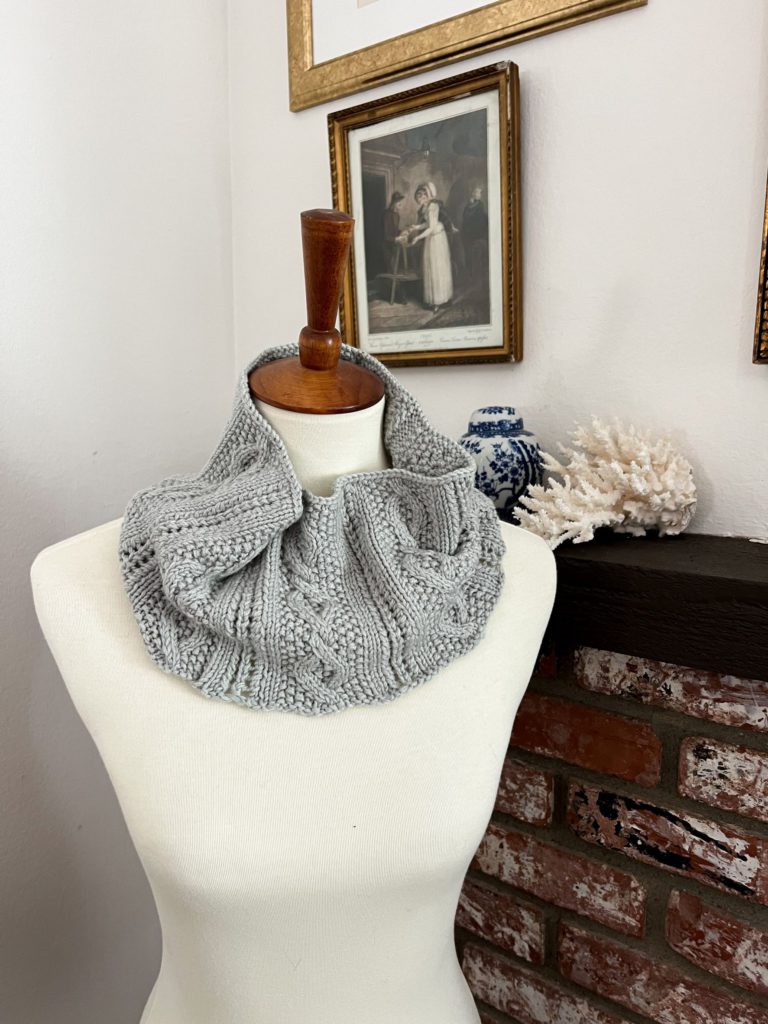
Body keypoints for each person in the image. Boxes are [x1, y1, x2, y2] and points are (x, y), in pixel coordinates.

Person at [407, 182, 453, 311]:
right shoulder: (426, 207)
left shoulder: (433, 206)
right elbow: (427, 224)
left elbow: (432, 228)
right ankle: (433, 300)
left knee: (437, 269)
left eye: (420, 199)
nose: (419, 202)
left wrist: (418, 237)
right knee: (430, 268)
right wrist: (415, 227)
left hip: (437, 238)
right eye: (418, 200)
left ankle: (439, 300)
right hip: (431, 238)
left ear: (425, 197)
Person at [462, 185, 489, 287]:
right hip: (468, 237)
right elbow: (465, 221)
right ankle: (472, 281)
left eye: (480, 193)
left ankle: (478, 283)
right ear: (472, 193)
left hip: (478, 237)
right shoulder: (467, 207)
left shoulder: (480, 206)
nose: (479, 194)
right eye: (477, 192)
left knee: (478, 259)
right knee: (469, 258)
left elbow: (481, 221)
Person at [381, 191, 405, 273]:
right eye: (398, 202)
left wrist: (402, 232)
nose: (401, 204)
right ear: (393, 203)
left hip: (393, 245)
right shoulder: (387, 214)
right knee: (390, 270)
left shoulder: (397, 215)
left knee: (395, 269)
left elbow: (394, 230)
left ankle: (395, 285)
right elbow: (386, 235)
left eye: (401, 201)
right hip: (386, 246)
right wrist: (397, 239)